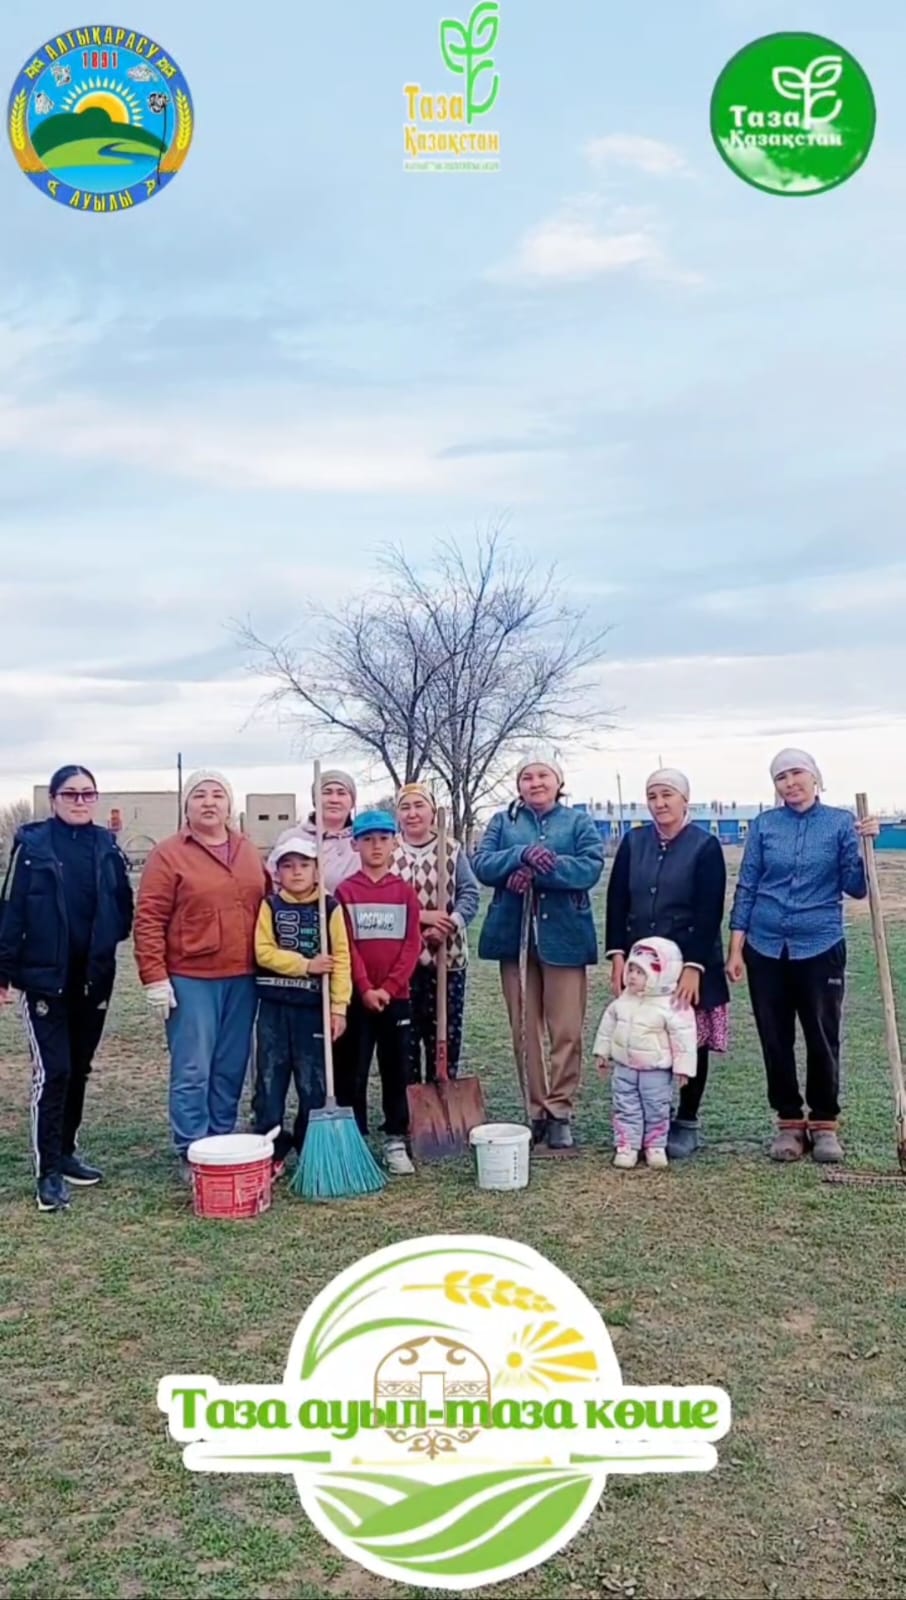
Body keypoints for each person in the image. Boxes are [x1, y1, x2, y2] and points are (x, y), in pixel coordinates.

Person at [727, 749, 880, 1164]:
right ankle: (789, 1122)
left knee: (821, 1035)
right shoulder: (764, 826)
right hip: (765, 944)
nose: (789, 782)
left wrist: (865, 846)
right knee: (774, 1036)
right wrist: (736, 947)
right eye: (781, 777)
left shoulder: (839, 823)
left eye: (797, 773)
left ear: (815, 778)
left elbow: (856, 887)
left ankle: (825, 1122)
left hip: (820, 943)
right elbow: (748, 885)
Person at [0, 765, 134, 1212]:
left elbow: (122, 905)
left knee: (79, 1068)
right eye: (71, 794)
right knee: (53, 1072)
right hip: (45, 980)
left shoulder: (106, 846)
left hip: (92, 979)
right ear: (54, 798)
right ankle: (48, 1173)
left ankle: (67, 1151)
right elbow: (11, 909)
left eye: (88, 794)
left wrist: (111, 935)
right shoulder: (33, 846)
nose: (80, 801)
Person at [133, 770, 266, 1174]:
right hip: (191, 978)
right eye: (200, 795)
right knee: (193, 1067)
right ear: (186, 806)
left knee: (231, 1064)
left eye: (217, 795)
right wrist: (155, 976)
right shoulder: (170, 853)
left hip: (243, 976)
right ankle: (191, 1146)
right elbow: (149, 917)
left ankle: (222, 1139)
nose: (209, 802)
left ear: (229, 805)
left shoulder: (247, 849)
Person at [473, 755, 605, 1150]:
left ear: (558, 782)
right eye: (526, 777)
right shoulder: (502, 823)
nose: (535, 782)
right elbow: (481, 863)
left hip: (564, 937)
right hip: (515, 938)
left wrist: (544, 869)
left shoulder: (578, 823)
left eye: (542, 776)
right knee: (524, 1028)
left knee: (565, 1029)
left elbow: (590, 867)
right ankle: (535, 1109)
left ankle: (560, 1109)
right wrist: (518, 856)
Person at [604, 768, 730, 1160]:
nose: (659, 804)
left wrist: (694, 966)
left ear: (684, 800)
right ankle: (645, 1117)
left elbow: (710, 910)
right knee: (643, 1034)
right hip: (642, 961)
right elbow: (616, 901)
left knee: (689, 1037)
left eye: (667, 795)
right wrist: (617, 955)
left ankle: (687, 1120)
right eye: (653, 796)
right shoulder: (634, 841)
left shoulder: (705, 846)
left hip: (689, 958)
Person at [251, 834, 351, 1175]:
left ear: (317, 870)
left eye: (304, 865)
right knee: (269, 1079)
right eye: (288, 866)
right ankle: (270, 1149)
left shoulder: (331, 908)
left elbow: (341, 960)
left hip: (313, 1010)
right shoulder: (269, 906)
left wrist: (338, 1007)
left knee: (314, 1083)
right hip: (275, 1007)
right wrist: (305, 964)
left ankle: (312, 1148)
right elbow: (262, 951)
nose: (296, 872)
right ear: (277, 872)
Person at [335, 810, 423, 1175]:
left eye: (383, 839)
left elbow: (411, 944)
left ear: (394, 843)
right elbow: (346, 945)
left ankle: (395, 1138)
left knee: (396, 1069)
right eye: (368, 839)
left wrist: (387, 987)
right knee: (351, 1069)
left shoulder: (404, 892)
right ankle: (352, 1137)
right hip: (358, 998)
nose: (376, 846)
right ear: (355, 844)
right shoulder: (345, 891)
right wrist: (365, 988)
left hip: (396, 997)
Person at [390, 782, 480, 1083]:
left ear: (432, 811)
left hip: (447, 955)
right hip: (402, 958)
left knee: (445, 1029)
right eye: (405, 807)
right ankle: (410, 1100)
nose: (413, 814)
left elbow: (469, 893)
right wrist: (420, 920)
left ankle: (443, 1085)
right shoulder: (390, 851)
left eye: (419, 806)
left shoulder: (450, 849)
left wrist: (449, 923)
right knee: (407, 1032)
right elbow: (386, 901)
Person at [593, 937, 697, 1170]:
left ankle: (655, 1146)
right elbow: (608, 1026)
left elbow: (684, 1038)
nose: (631, 976)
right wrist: (602, 1052)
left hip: (655, 1072)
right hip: (625, 1068)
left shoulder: (672, 1005)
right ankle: (627, 1145)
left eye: (640, 972)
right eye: (630, 969)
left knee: (656, 1108)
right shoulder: (623, 1001)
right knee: (625, 1106)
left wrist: (683, 1068)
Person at [272, 769, 359, 896]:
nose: (334, 800)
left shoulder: (363, 840)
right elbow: (274, 883)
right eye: (327, 792)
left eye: (341, 793)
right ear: (314, 800)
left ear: (352, 802)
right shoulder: (292, 838)